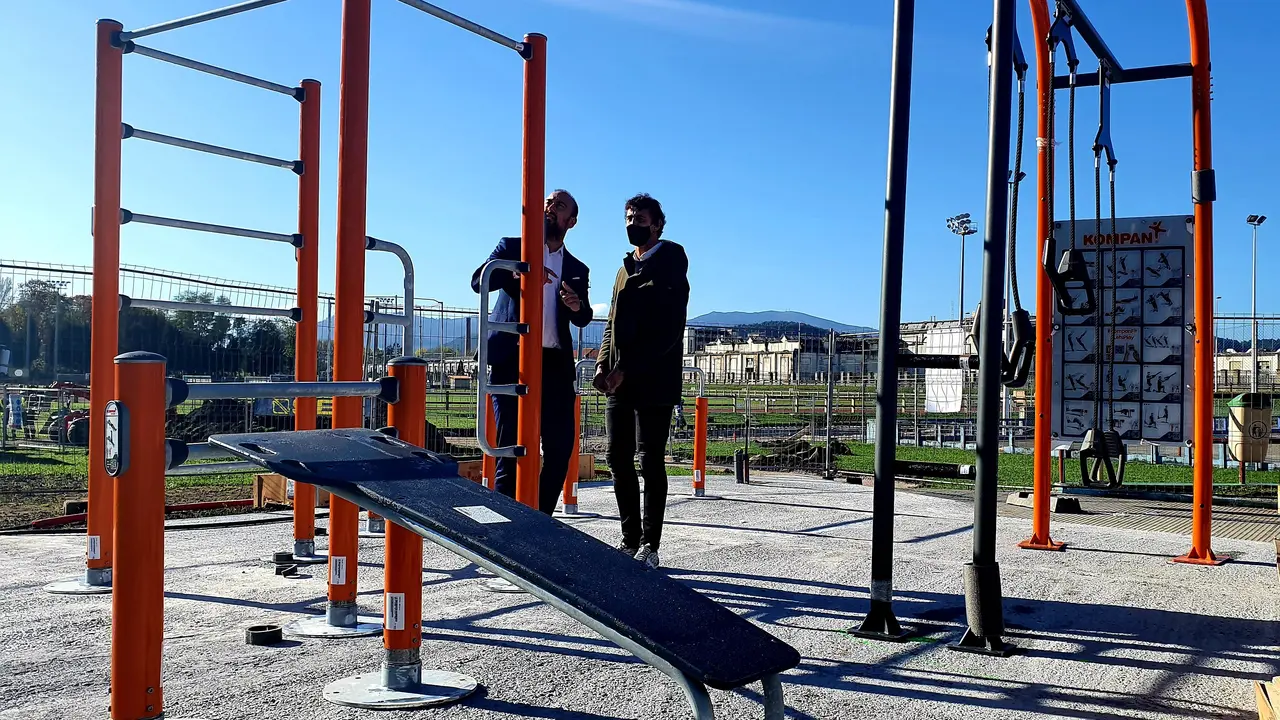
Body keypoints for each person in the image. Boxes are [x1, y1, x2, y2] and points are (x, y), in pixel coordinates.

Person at [472, 189, 592, 514]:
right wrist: (517, 271)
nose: (551, 207)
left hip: (554, 364)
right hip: (512, 361)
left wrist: (577, 305)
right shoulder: (512, 247)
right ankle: (505, 526)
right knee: (511, 449)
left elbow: (583, 317)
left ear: (571, 221)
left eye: (560, 205)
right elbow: (478, 280)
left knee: (559, 449)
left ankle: (540, 521)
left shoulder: (577, 267)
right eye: (548, 202)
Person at [594, 193, 690, 568]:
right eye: (628, 218)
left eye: (640, 218)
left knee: (650, 460)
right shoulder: (623, 270)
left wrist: (626, 368)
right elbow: (611, 324)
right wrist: (602, 366)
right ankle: (629, 539)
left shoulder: (670, 261)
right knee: (617, 457)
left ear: (658, 225)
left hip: (654, 380)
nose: (632, 224)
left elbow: (667, 329)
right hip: (619, 381)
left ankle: (651, 544)